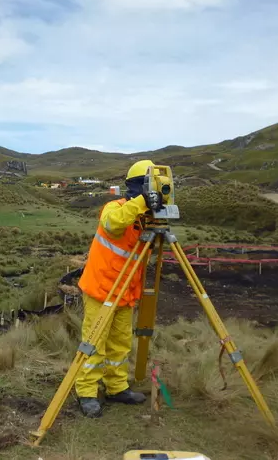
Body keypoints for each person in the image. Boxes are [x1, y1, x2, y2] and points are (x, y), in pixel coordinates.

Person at [75, 159, 158, 418]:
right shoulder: (116, 207)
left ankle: (117, 387)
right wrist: (143, 202)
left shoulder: (146, 217)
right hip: (102, 290)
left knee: (120, 344)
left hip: (126, 293)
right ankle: (87, 392)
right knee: (94, 344)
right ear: (140, 187)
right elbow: (113, 224)